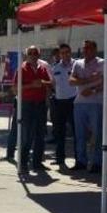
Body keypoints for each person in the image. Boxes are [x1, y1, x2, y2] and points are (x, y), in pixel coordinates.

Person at [13, 45, 51, 174]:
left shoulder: (42, 68)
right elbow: (15, 88)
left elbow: (49, 83)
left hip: (40, 104)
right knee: (27, 135)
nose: (33, 55)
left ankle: (37, 163)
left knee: (40, 134)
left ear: (39, 55)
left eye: (36, 53)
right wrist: (31, 85)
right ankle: (23, 163)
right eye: (31, 53)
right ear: (26, 55)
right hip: (27, 104)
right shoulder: (22, 69)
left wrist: (43, 84)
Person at [69, 40, 104, 173]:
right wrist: (89, 80)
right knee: (80, 134)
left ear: (95, 49)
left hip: (96, 103)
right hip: (79, 103)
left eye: (88, 48)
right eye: (84, 48)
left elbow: (105, 82)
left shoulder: (102, 63)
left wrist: (92, 90)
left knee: (97, 134)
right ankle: (81, 161)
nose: (85, 50)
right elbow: (71, 81)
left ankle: (97, 162)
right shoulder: (77, 63)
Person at [49, 44, 78, 168]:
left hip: (73, 101)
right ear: (59, 54)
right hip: (59, 102)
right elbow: (53, 84)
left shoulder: (77, 65)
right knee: (59, 132)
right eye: (62, 53)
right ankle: (60, 158)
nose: (65, 55)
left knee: (76, 132)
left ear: (70, 52)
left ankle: (79, 160)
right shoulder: (55, 67)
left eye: (67, 52)